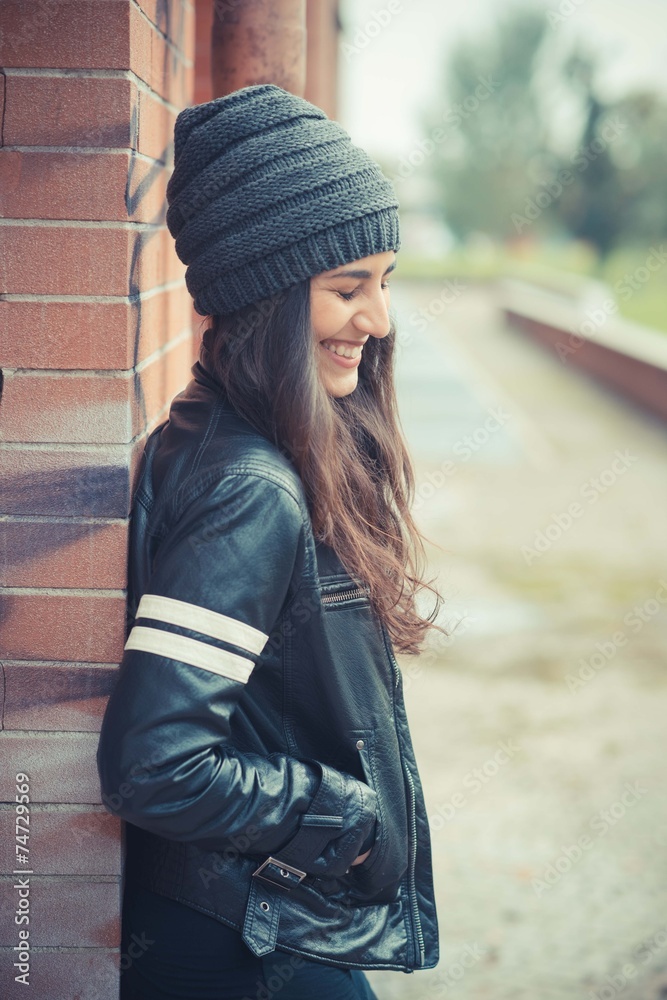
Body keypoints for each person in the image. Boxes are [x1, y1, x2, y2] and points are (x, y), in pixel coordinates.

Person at [96, 82, 446, 1000]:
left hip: (250, 917)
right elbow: (153, 765)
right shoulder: (248, 489)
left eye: (384, 282)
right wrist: (345, 817)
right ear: (268, 297)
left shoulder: (228, 433)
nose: (378, 320)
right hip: (244, 944)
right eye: (346, 289)